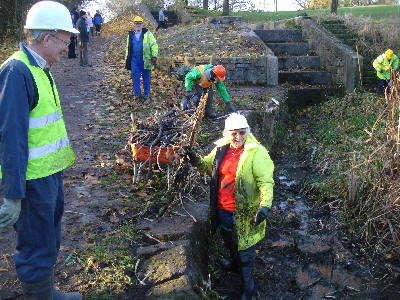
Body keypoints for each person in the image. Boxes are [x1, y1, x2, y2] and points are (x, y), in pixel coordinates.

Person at [0, 1, 81, 299]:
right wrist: (13, 194)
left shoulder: (39, 67)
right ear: (47, 38)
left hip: (47, 176)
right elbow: (12, 138)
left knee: (48, 238)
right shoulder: (16, 72)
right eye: (65, 41)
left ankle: (47, 292)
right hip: (32, 182)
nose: (67, 48)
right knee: (35, 244)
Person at [185, 113, 274, 300]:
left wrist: (264, 206)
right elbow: (208, 167)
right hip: (222, 209)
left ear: (247, 132)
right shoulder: (221, 148)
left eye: (242, 133)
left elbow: (266, 182)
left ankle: (248, 290)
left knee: (246, 251)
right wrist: (194, 159)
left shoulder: (256, 152)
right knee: (229, 241)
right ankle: (234, 265)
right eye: (233, 133)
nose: (238, 138)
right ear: (227, 133)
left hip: (245, 213)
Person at [124, 16, 158, 100]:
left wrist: (154, 56)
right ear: (134, 25)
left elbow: (154, 45)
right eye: (136, 24)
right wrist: (126, 60)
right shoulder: (130, 35)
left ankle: (146, 95)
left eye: (139, 23)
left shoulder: (148, 34)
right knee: (135, 78)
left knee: (147, 78)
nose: (138, 25)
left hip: (145, 61)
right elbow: (128, 48)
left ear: (142, 25)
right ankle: (137, 94)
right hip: (134, 61)